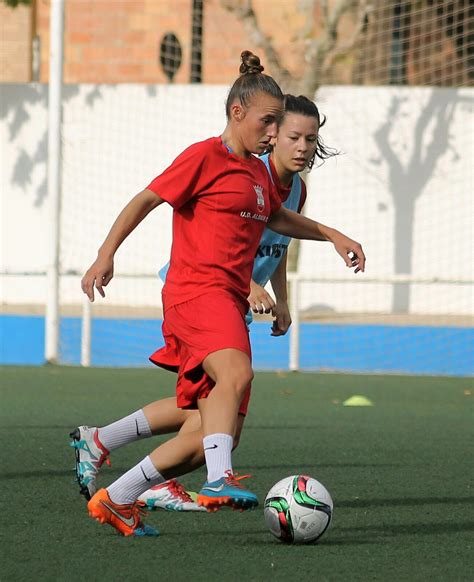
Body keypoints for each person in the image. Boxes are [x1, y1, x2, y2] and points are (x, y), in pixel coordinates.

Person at [80, 51, 365, 537]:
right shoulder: (204, 156)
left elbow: (277, 220)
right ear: (238, 113)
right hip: (196, 293)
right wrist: (106, 254)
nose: (275, 133)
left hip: (227, 303)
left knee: (211, 430)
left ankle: (117, 497)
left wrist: (333, 234)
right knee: (235, 373)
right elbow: (146, 199)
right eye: (270, 122)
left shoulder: (257, 173)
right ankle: (219, 479)